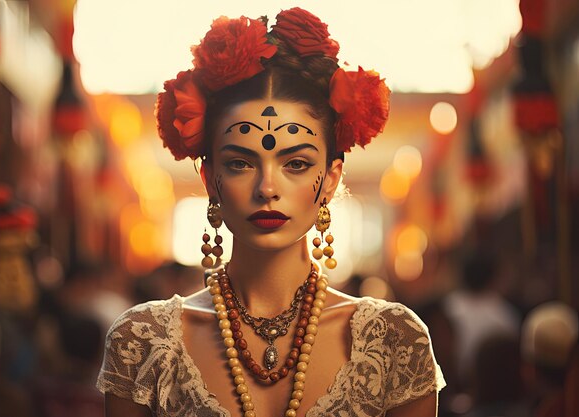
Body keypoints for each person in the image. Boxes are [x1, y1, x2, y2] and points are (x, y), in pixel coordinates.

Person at [96, 7, 445, 417]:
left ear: (331, 178)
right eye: (240, 163)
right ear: (209, 177)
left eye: (295, 164)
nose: (267, 188)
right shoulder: (142, 341)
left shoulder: (394, 341)